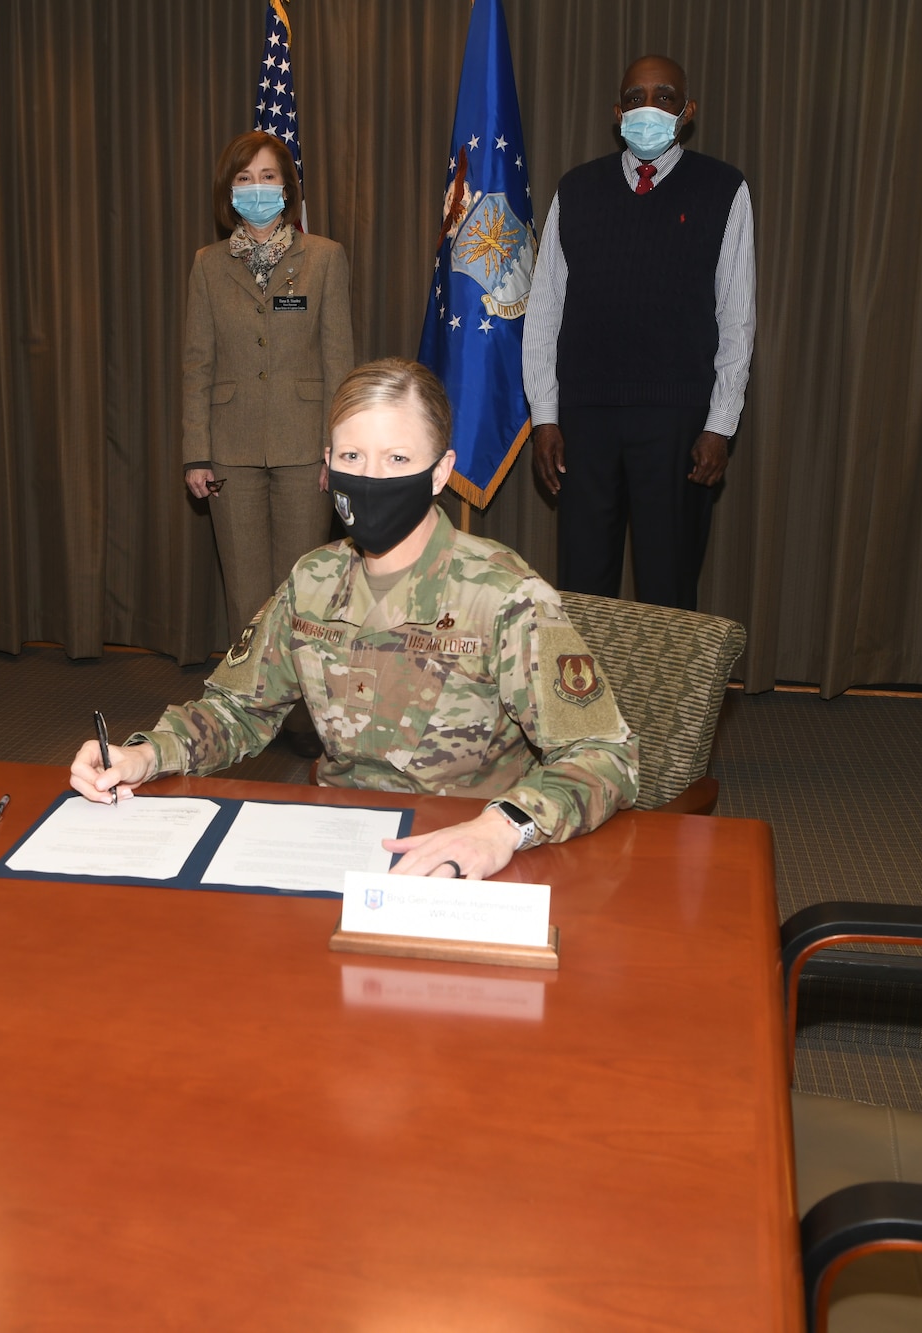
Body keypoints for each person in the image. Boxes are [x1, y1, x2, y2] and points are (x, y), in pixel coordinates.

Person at [71, 359, 637, 880]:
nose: (371, 479)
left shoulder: (504, 595)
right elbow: (238, 709)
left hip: (465, 851)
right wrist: (147, 754)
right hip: (335, 841)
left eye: (397, 459)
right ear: (328, 467)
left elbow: (605, 754)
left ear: (440, 473)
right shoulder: (312, 581)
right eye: (351, 458)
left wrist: (501, 827)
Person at [522, 55, 756, 610]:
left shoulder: (724, 189)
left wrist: (720, 426)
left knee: (668, 591)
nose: (647, 108)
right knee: (582, 590)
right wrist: (546, 417)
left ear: (687, 111)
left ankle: (663, 701)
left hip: (678, 426)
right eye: (634, 98)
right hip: (584, 423)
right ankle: (583, 698)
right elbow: (545, 310)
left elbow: (737, 317)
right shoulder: (576, 190)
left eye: (664, 96)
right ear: (616, 112)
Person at [181, 129, 354, 755]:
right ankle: (249, 713)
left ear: (289, 187)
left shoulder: (325, 257)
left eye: (269, 177)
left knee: (302, 588)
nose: (258, 189)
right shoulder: (207, 264)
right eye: (246, 179)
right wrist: (195, 452)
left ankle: (307, 716)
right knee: (247, 590)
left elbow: (341, 362)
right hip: (229, 451)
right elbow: (197, 364)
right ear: (231, 191)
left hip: (307, 449)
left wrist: (342, 451)